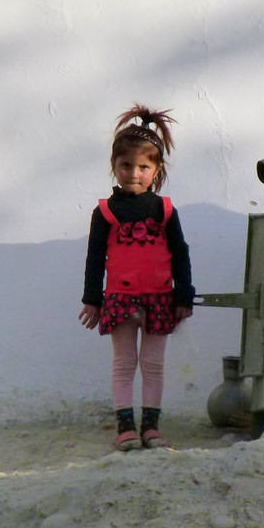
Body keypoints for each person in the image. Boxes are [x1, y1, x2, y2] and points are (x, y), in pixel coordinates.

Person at [79, 104, 194, 450]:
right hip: (119, 298)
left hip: (161, 297)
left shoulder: (165, 211)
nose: (134, 173)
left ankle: (152, 427)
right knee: (124, 363)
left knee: (154, 364)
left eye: (143, 166)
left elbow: (180, 253)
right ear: (114, 166)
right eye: (126, 165)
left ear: (156, 169)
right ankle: (125, 427)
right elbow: (95, 257)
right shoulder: (105, 212)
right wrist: (92, 299)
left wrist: (184, 296)